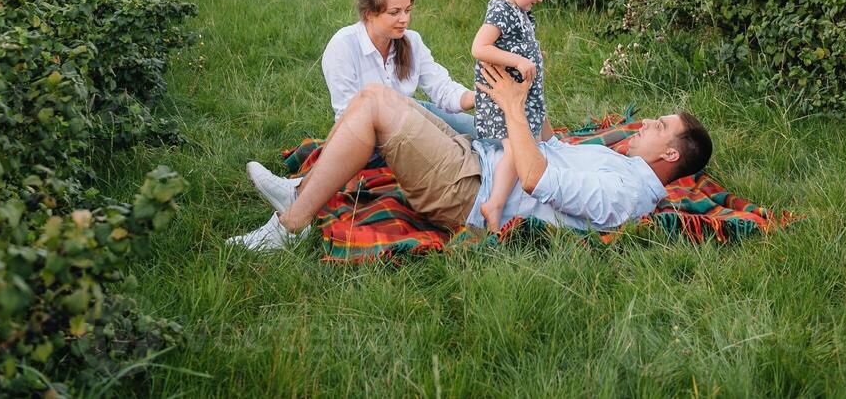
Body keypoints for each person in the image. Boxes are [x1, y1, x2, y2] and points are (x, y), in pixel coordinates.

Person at [226, 63, 712, 251]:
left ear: (670, 153)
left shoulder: (627, 192)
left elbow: (538, 178)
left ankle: (289, 227)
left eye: (660, 126)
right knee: (389, 99)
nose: (647, 123)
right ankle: (301, 192)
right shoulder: (622, 164)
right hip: (477, 159)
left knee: (376, 104)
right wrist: (528, 86)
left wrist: (514, 112)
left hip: (469, 190)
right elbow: (552, 147)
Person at [244, 0, 477, 207]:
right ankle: (297, 191)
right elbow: (348, 117)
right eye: (394, 13)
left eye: (408, 10)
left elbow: (443, 88)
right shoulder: (343, 46)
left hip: (413, 114)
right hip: (375, 138)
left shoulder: (412, 41)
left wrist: (480, 97)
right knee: (456, 151)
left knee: (485, 132)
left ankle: (502, 169)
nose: (404, 19)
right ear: (369, 14)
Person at [470, 0, 559, 231]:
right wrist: (518, 60)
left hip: (524, 94)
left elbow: (518, 42)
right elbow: (480, 48)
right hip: (503, 98)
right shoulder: (501, 9)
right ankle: (494, 204)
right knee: (515, 149)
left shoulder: (521, 12)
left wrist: (530, 54)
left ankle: (554, 148)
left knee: (536, 131)